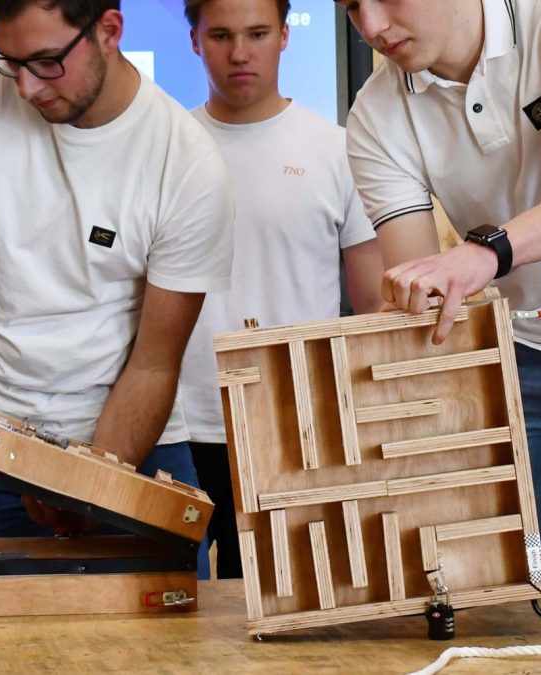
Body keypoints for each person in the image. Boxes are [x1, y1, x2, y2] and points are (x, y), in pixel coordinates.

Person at [340, 0, 541, 632]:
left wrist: (485, 253)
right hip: (516, 362)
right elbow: (424, 297)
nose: (373, 27)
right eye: (353, 8)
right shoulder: (375, 115)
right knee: (512, 622)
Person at [0, 0, 234, 573]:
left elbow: (153, 365)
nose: (23, 87)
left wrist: (86, 482)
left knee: (163, 655)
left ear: (109, 32)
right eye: (8, 60)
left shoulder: (186, 162)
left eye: (45, 62)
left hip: (130, 450)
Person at [179, 0, 382, 579]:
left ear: (286, 36)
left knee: (275, 623)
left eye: (257, 33)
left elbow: (372, 307)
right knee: (171, 621)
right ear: (195, 40)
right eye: (220, 35)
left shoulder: (338, 149)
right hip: (178, 423)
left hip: (292, 424)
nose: (239, 53)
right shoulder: (165, 147)